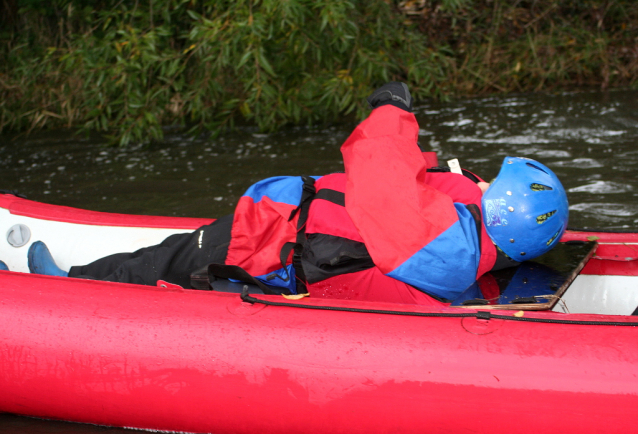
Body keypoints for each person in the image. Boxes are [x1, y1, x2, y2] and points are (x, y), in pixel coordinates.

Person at [24, 82, 569, 306]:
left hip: (267, 243)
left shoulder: (440, 238)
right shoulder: (470, 240)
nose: (482, 183)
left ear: (499, 209)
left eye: (492, 186)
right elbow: (416, 190)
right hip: (284, 234)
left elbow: (381, 165)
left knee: (168, 258)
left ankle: (69, 288)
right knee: (176, 250)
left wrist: (392, 108)